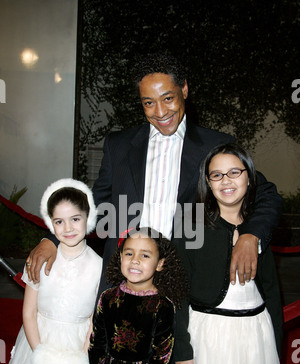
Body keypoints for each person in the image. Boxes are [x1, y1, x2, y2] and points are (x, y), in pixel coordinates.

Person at [25, 51, 282, 298]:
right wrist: (52, 240)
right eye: (149, 102)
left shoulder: (215, 145)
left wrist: (250, 236)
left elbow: (266, 193)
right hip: (126, 278)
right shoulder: (119, 146)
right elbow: (94, 204)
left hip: (188, 279)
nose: (160, 112)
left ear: (184, 90)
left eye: (168, 98)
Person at [170, 143, 283, 364]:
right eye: (216, 175)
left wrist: (276, 339)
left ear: (249, 177)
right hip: (208, 336)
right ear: (207, 182)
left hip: (256, 335)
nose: (226, 181)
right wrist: (182, 345)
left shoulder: (259, 230)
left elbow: (271, 289)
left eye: (235, 172)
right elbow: (177, 290)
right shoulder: (189, 226)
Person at [1, 179, 103, 364]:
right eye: (59, 221)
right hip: (40, 339)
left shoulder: (98, 266)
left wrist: (83, 353)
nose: (68, 228)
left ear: (88, 218)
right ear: (50, 223)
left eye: (75, 219)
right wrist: (40, 354)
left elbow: (95, 317)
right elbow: (29, 311)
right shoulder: (40, 259)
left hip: (78, 344)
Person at [88, 227, 188, 364]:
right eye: (129, 253)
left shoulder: (164, 306)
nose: (135, 260)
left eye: (145, 255)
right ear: (120, 257)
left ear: (160, 263)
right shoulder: (107, 298)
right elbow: (96, 346)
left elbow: (160, 359)